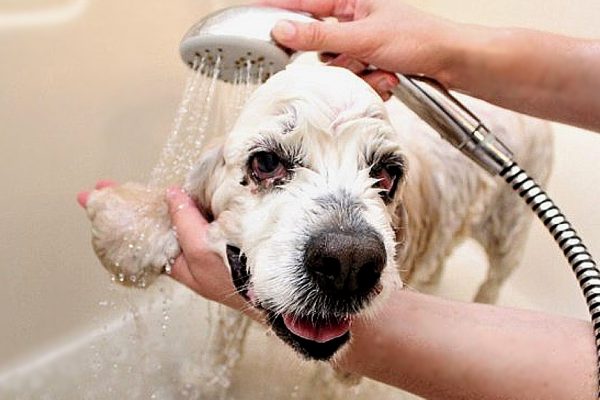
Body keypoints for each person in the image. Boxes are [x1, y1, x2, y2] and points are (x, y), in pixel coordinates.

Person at [79, 1, 600, 398]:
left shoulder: (425, 209)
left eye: (383, 175)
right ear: (210, 190)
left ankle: (488, 294)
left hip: (513, 145)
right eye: (266, 165)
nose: (351, 253)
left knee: (500, 259)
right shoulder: (216, 190)